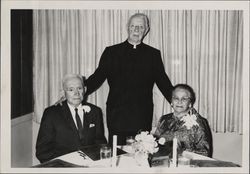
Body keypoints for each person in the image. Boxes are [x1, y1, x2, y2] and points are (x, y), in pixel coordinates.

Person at [85, 13, 173, 145]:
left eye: (141, 27)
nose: (136, 30)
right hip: (117, 116)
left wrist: (179, 103)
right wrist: (79, 91)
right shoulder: (111, 52)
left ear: (147, 30)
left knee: (141, 154)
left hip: (141, 115)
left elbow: (163, 83)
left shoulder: (153, 55)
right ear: (127, 28)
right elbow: (96, 78)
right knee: (117, 154)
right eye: (133, 26)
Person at [36, 74, 107, 163]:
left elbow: (100, 143)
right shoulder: (51, 114)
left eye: (79, 88)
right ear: (63, 93)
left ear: (84, 90)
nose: (76, 93)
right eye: (71, 89)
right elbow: (43, 151)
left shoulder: (95, 111)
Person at [154, 84, 213, 157]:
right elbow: (155, 144)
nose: (179, 101)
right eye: (176, 98)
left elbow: (204, 153)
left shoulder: (199, 122)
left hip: (188, 165)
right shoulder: (164, 119)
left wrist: (181, 153)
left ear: (190, 103)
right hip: (163, 164)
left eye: (184, 99)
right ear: (171, 101)